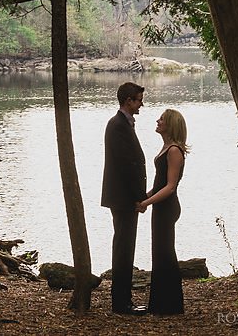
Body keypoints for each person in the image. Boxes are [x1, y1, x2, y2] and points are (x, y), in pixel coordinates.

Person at [137, 108, 189, 315]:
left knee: (166, 253)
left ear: (171, 125)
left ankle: (172, 305)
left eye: (162, 119)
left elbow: (170, 186)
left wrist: (147, 203)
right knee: (159, 253)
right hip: (160, 205)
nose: (158, 121)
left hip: (167, 207)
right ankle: (160, 304)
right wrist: (145, 197)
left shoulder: (174, 150)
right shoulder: (166, 147)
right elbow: (159, 184)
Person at [101, 82, 147, 315]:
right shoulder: (117, 125)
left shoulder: (124, 124)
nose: (141, 104)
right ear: (128, 101)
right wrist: (139, 198)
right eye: (139, 100)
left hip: (124, 197)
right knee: (123, 249)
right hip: (123, 198)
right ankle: (121, 303)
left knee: (125, 247)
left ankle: (123, 299)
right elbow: (126, 165)